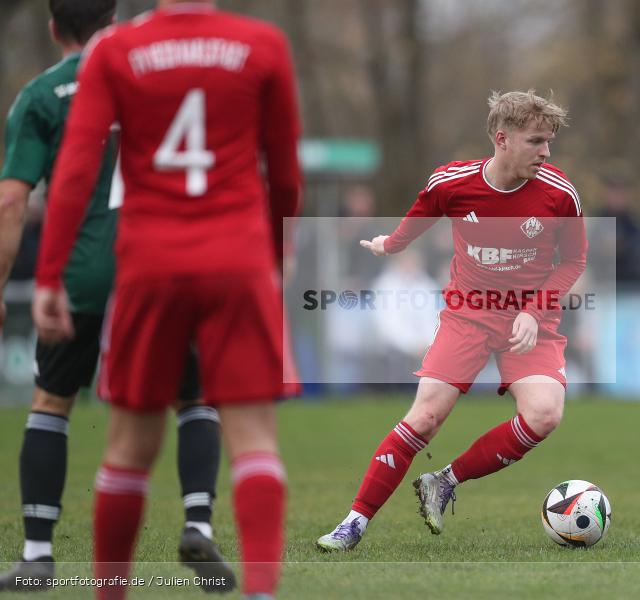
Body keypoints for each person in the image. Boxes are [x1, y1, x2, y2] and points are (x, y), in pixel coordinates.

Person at [31, 1, 302, 598]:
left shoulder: (115, 50)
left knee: (128, 446)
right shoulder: (262, 44)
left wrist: (50, 272)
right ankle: (261, 592)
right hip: (237, 257)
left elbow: (75, 169)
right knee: (254, 439)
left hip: (150, 264)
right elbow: (284, 170)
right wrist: (279, 254)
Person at [0, 0, 231, 592]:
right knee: (195, 398)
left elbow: (11, 202)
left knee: (52, 402)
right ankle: (198, 523)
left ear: (53, 28)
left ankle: (36, 555)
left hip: (81, 273)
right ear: (116, 19)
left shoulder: (40, 97)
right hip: (162, 266)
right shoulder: (161, 77)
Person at [317, 90, 587, 551]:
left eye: (549, 143)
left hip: (530, 321)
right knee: (424, 419)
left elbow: (573, 262)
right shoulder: (452, 182)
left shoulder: (560, 194)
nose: (546, 152)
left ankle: (444, 481)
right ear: (502, 139)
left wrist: (532, 309)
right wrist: (391, 246)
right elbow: (418, 218)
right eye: (536, 141)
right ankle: (353, 523)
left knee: (544, 414)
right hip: (468, 315)